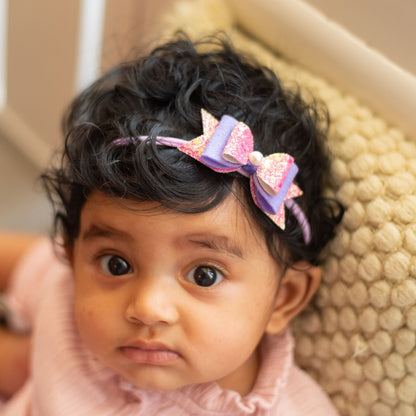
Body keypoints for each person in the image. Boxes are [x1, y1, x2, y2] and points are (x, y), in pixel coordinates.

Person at [0, 34, 343, 415]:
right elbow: (23, 262)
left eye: (204, 275)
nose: (148, 308)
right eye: (117, 264)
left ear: (283, 298)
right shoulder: (67, 304)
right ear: (73, 256)